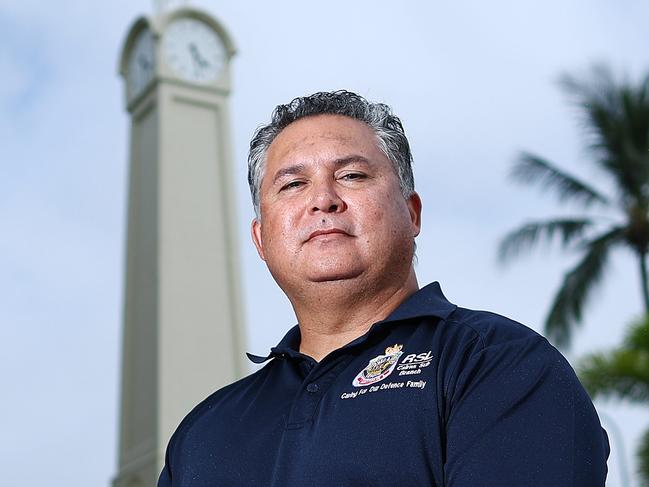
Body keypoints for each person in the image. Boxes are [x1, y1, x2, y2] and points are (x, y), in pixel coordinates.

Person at [158, 91, 609, 486]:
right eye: (294, 184)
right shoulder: (203, 433)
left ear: (412, 214)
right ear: (260, 239)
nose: (323, 199)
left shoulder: (495, 363)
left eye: (352, 175)